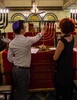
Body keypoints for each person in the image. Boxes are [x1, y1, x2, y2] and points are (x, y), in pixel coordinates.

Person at [7, 20, 47, 100]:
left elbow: (9, 58)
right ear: (22, 30)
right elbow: (37, 37)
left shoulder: (11, 43)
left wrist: (17, 60)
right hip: (23, 71)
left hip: (15, 69)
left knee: (18, 89)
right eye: (25, 27)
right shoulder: (27, 40)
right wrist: (42, 31)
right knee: (22, 92)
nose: (26, 28)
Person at [53, 18, 75, 100]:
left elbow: (55, 58)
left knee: (61, 88)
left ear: (62, 28)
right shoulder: (72, 37)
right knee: (68, 87)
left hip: (62, 69)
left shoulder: (61, 41)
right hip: (69, 66)